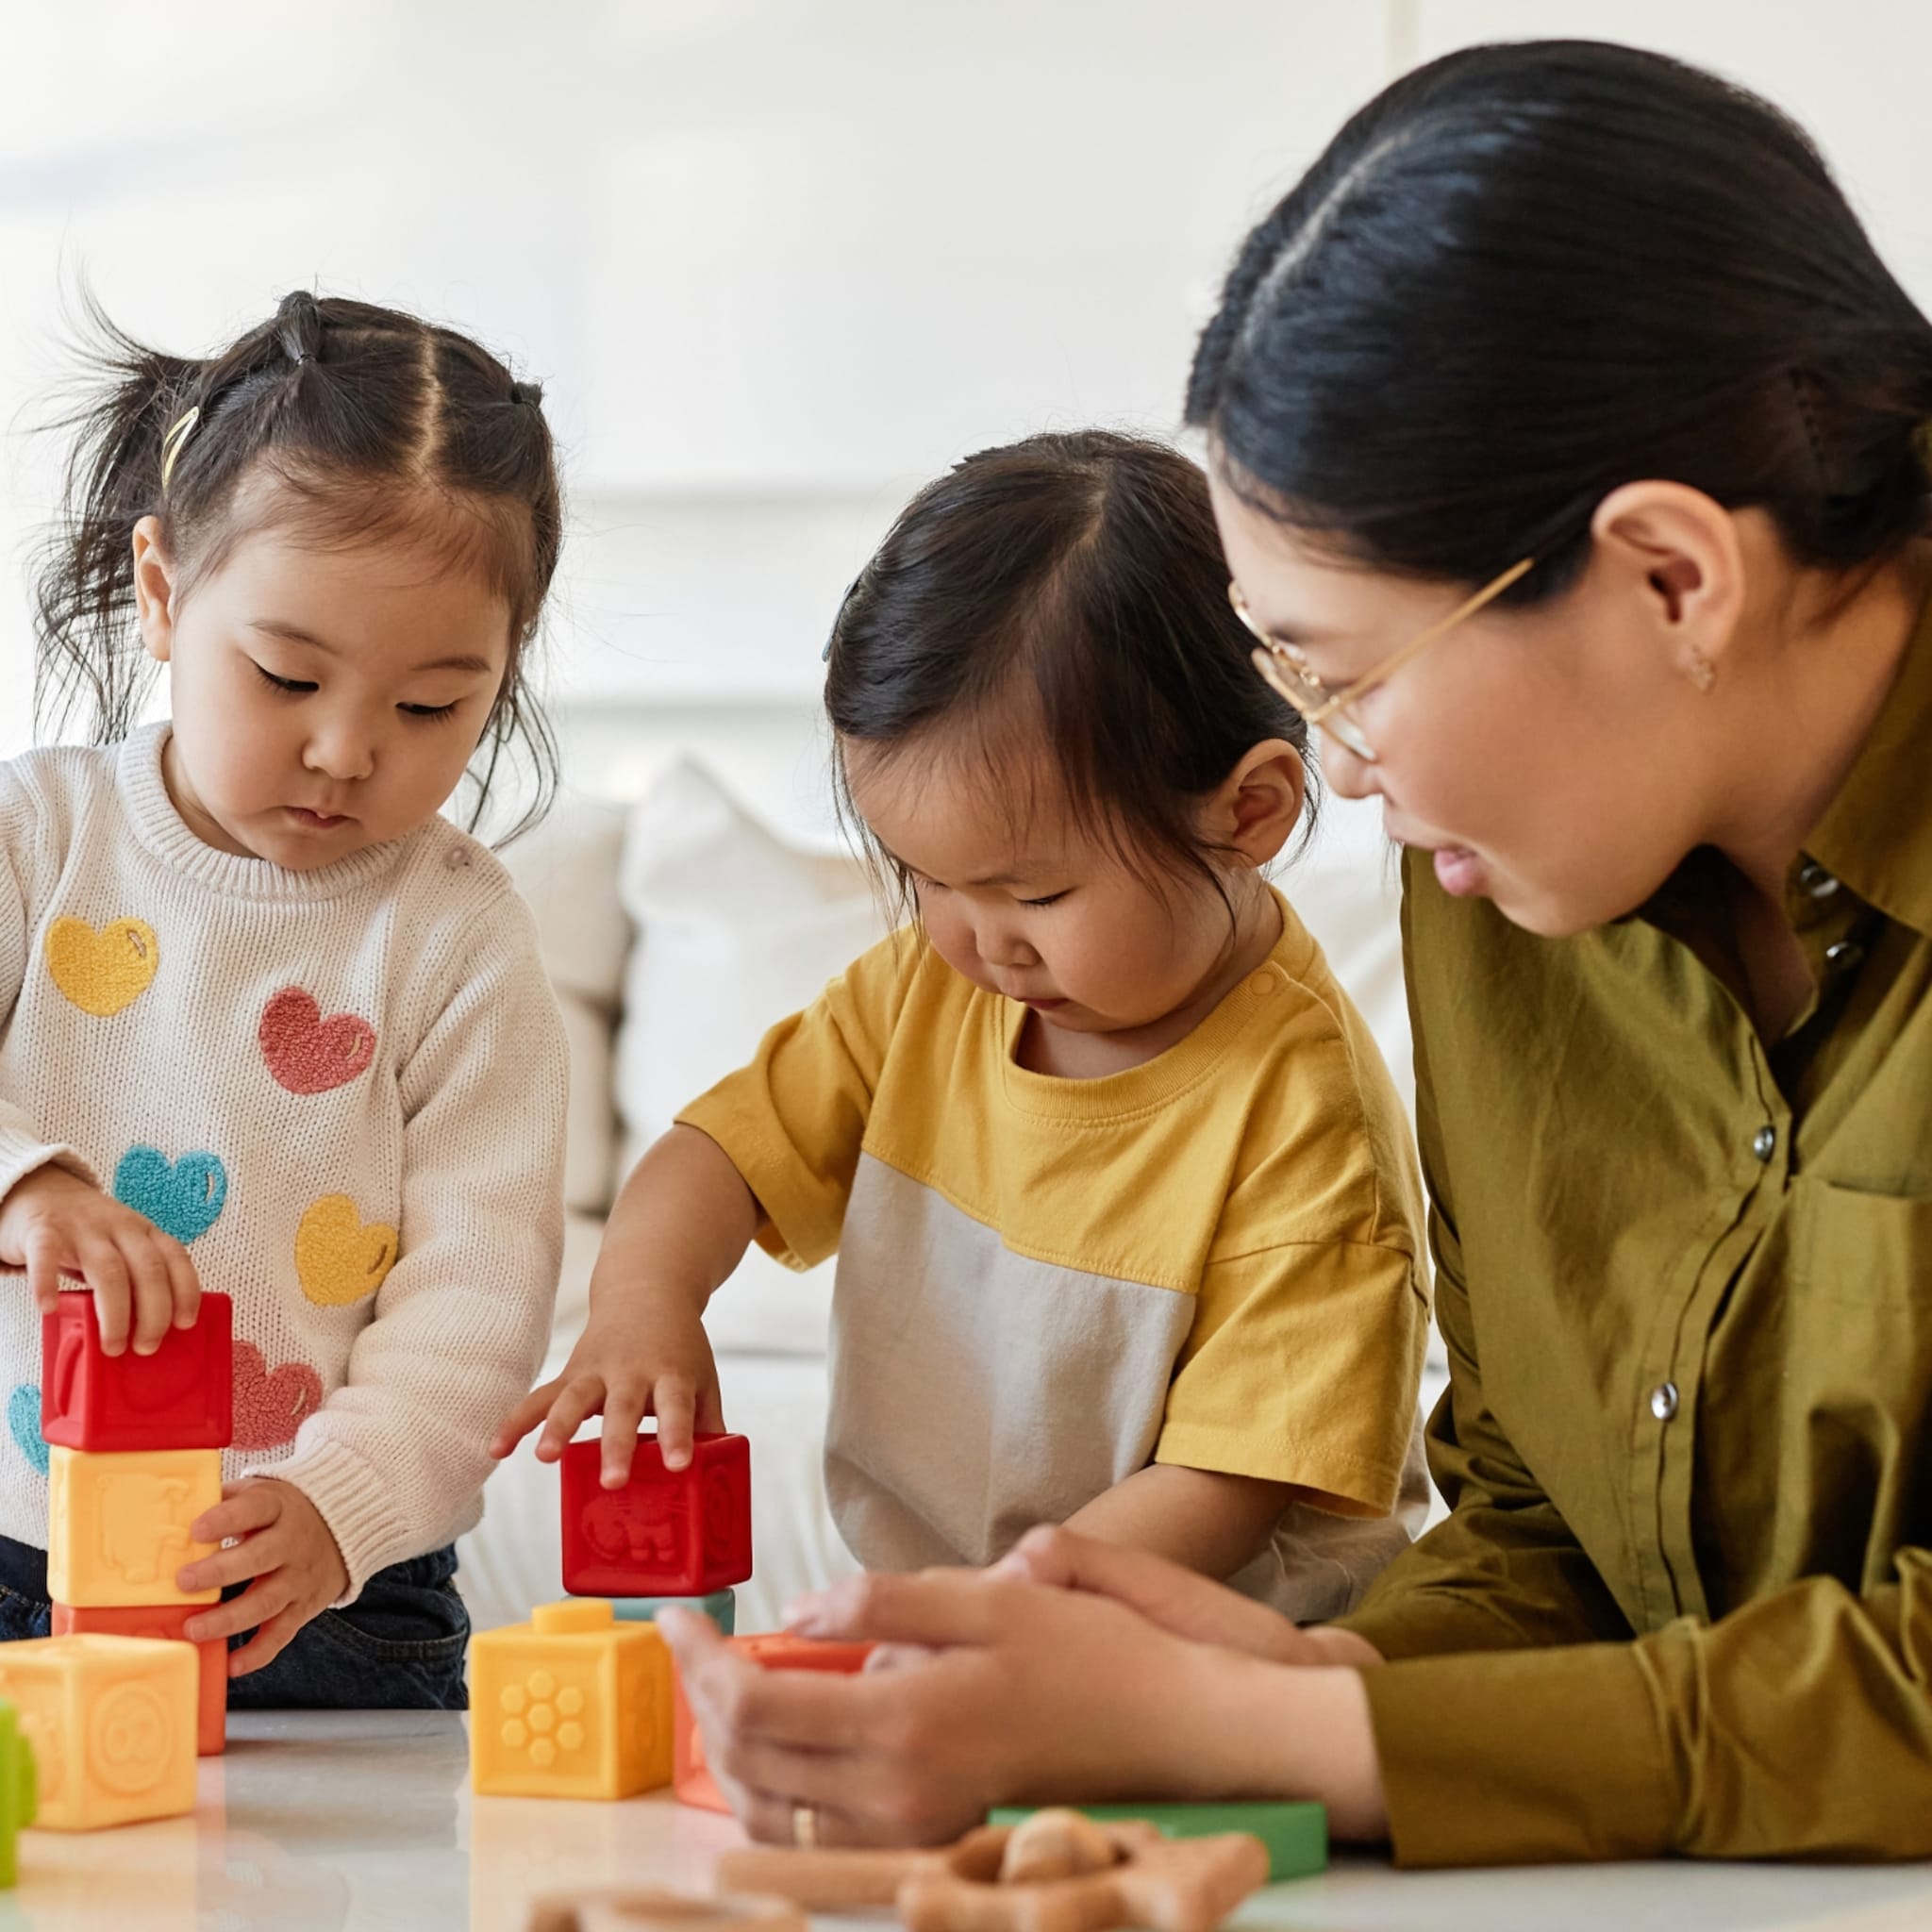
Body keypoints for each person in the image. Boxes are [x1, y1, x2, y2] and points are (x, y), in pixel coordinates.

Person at [659, 40, 1932, 1865]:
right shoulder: (1512, 864)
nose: (1333, 766)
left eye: (1345, 668)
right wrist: (1244, 1711)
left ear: (1669, 578)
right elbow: (1546, 1532)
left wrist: (1268, 1722)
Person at [498, 430, 1430, 1616]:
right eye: (924, 879)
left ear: (1245, 811)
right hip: (978, 1619)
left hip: (1210, 1645)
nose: (977, 938)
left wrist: (988, 1622)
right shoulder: (928, 992)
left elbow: (1221, 1489)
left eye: (1033, 892)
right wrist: (642, 1303)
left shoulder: (1309, 1126)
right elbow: (718, 1155)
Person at [0, 291, 569, 1705]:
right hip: (16, 1562)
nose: (343, 750)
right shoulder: (36, 839)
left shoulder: (456, 936)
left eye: (432, 709)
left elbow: (475, 1304)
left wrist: (343, 1510)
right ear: (163, 592)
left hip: (321, 1599)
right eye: (288, 675)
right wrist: (24, 1189)